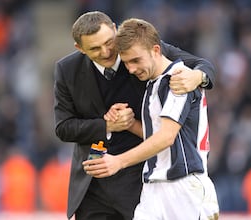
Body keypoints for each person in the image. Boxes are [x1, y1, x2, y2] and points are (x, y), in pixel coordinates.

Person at [54, 11, 216, 220]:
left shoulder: (146, 53)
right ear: (80, 48)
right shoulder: (67, 69)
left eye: (108, 42)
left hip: (141, 177)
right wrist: (108, 126)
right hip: (94, 184)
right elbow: (63, 127)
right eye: (95, 48)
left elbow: (202, 64)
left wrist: (198, 76)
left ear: (114, 29)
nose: (105, 52)